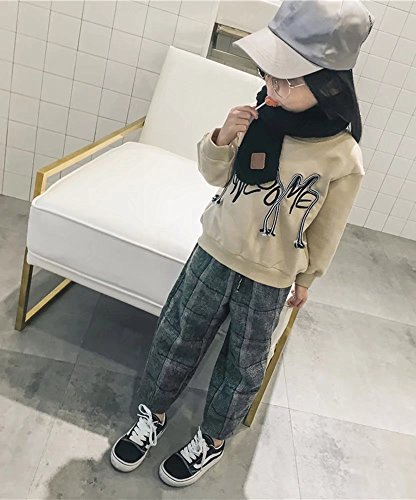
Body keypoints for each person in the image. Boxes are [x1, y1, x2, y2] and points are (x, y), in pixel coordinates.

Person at [110, 0, 375, 488]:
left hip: (270, 276)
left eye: (288, 80)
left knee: (244, 363)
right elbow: (216, 177)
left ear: (328, 84)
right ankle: (152, 414)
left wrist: (308, 278)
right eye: (269, 73)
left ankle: (211, 439)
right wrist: (221, 137)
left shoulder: (342, 155)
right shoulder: (256, 115)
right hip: (213, 252)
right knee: (177, 334)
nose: (272, 86)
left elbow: (328, 227)